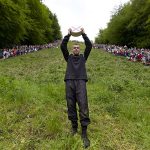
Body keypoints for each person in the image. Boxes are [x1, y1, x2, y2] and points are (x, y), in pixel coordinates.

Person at [60, 28, 92, 148]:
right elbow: (62, 46)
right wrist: (68, 35)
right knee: (70, 104)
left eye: (78, 47)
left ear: (80, 49)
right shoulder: (68, 57)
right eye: (74, 47)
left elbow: (89, 45)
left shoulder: (83, 57)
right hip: (69, 81)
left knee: (83, 105)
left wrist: (83, 33)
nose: (76, 49)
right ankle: (74, 127)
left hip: (81, 82)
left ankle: (84, 132)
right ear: (72, 50)